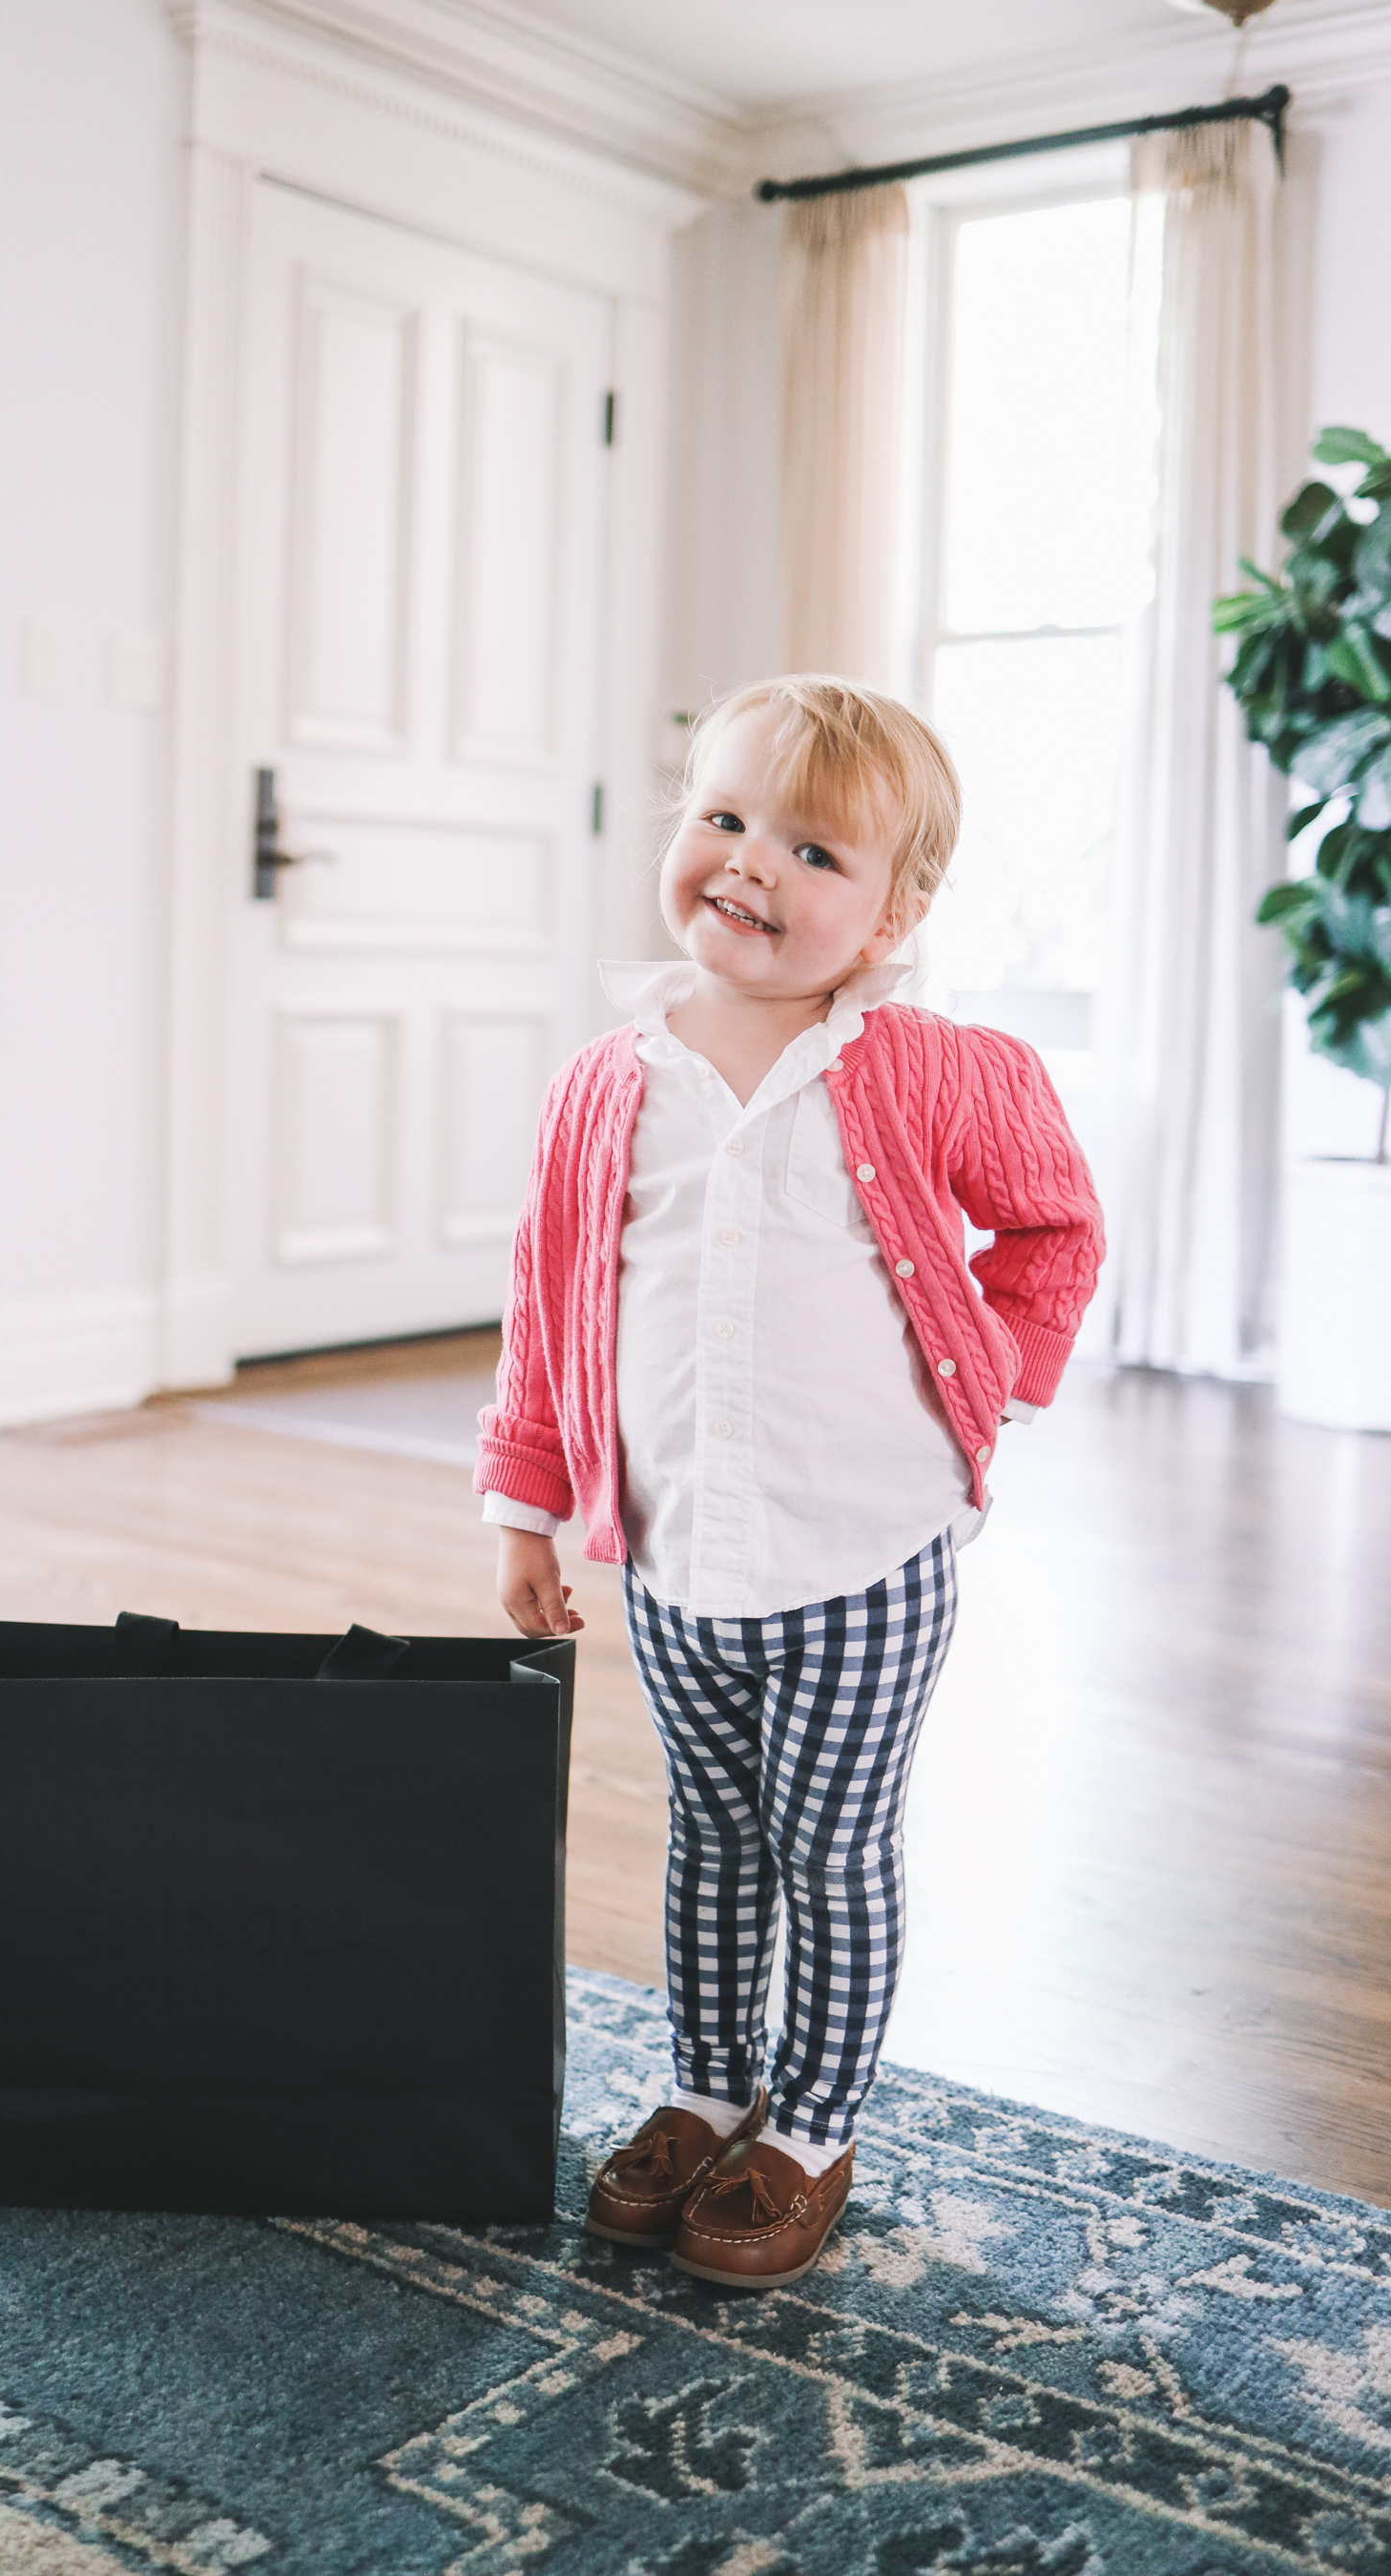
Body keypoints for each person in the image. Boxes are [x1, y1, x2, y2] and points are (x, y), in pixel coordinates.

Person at [476, 674, 1104, 2291]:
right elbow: (553, 1306)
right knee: (711, 1837)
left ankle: (814, 2120)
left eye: (816, 851)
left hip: (866, 1549)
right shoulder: (609, 1081)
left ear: (897, 912)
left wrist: (1004, 1375)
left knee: (831, 1845)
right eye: (725, 819)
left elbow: (1052, 1228)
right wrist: (526, 1505)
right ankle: (703, 2085)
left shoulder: (939, 1070)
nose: (753, 864)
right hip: (679, 1557)